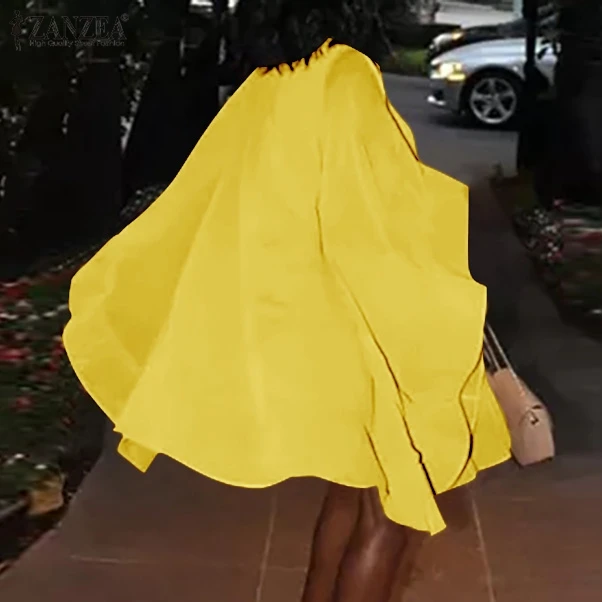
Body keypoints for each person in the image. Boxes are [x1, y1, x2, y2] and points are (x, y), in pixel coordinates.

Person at [63, 1, 511, 601]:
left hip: (312, 313)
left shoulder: (269, 80)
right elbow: (373, 215)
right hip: (360, 312)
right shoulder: (344, 73)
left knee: (354, 488)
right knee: (394, 508)